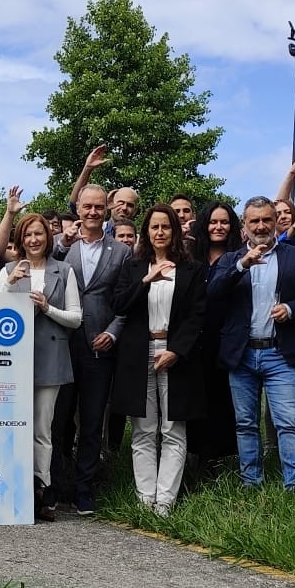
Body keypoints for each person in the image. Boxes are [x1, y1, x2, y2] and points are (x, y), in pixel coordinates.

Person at [209, 197, 295, 490]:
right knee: (246, 424)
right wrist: (240, 266)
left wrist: (291, 309)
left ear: (276, 222)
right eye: (254, 221)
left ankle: (294, 486)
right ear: (244, 227)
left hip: (280, 353)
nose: (261, 226)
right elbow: (211, 296)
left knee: (288, 422)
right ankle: (251, 483)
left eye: (266, 220)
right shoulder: (229, 259)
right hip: (242, 354)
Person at [113, 205, 207, 515]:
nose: (160, 232)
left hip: (174, 353)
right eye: (154, 227)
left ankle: (165, 500)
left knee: (172, 430)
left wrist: (177, 350)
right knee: (143, 430)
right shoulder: (134, 266)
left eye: (166, 226)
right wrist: (146, 281)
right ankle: (145, 498)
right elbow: (120, 305)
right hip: (139, 353)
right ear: (146, 232)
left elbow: (196, 316)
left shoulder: (192, 269)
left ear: (175, 231)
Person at [58, 183, 133, 515]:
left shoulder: (121, 252)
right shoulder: (63, 249)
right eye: (86, 207)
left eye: (98, 207)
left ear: (108, 210)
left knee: (91, 421)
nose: (92, 212)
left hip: (99, 346)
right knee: (59, 421)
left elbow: (127, 302)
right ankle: (57, 486)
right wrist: (61, 244)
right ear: (78, 210)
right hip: (62, 343)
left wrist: (114, 332)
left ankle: (85, 489)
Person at [1, 211, 80, 522]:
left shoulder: (64, 269)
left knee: (42, 429)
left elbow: (76, 317)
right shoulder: (8, 270)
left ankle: (43, 491)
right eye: (28, 234)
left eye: (40, 233)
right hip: (13, 360)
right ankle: (14, 488)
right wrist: (9, 285)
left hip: (51, 355)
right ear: (21, 239)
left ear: (49, 237)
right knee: (14, 426)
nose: (34, 239)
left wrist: (47, 308)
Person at [192, 200, 243, 476]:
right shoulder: (191, 256)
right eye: (213, 221)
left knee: (223, 402)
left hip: (228, 339)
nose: (219, 227)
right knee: (198, 400)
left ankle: (221, 461)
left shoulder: (240, 256)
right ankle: (197, 459)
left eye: (224, 222)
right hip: (196, 340)